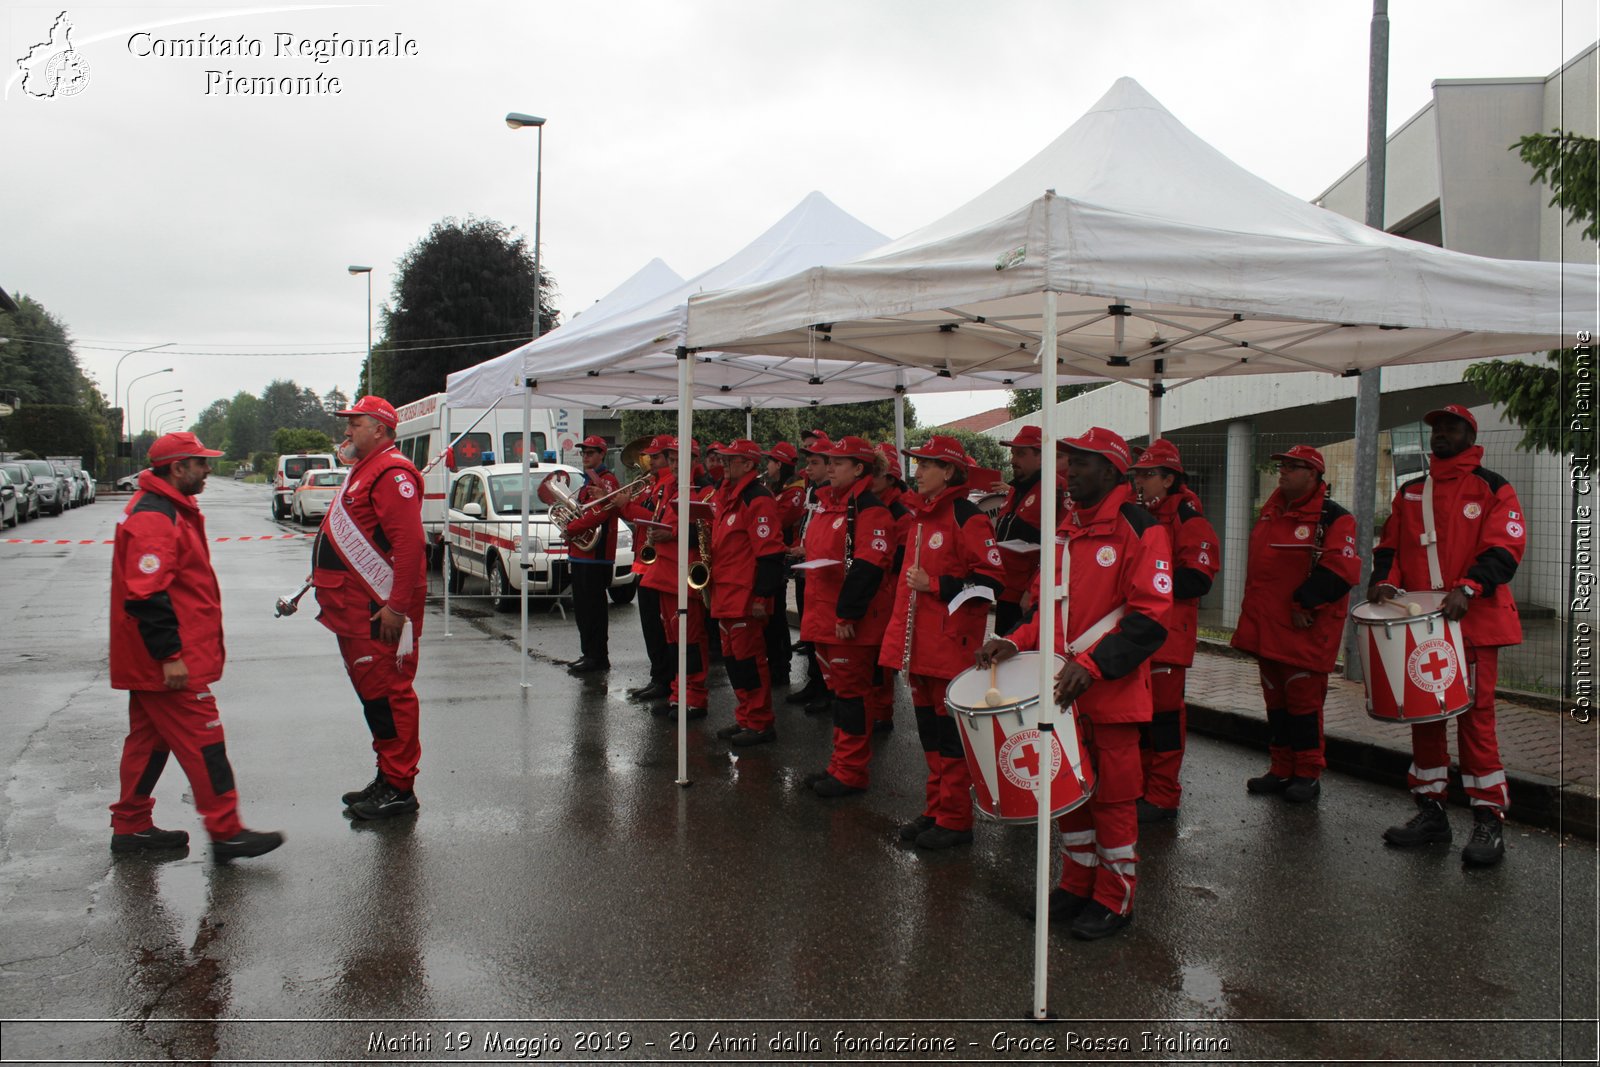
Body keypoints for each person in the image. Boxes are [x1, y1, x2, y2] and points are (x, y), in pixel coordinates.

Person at [977, 427, 1171, 940]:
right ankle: (1075, 884)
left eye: (1081, 463)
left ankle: (1115, 898)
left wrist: (1096, 665)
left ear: (1111, 470)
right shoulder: (1064, 529)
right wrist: (1015, 641)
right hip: (1061, 694)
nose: (1068, 472)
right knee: (1069, 793)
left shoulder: (1140, 528)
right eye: (1067, 463)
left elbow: (1151, 618)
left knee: (1113, 799)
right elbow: (1047, 613)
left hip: (1111, 694)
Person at [109, 431, 284, 863]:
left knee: (149, 742)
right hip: (166, 662)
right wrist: (171, 657)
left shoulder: (169, 509)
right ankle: (225, 832)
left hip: (154, 658)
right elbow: (146, 594)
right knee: (205, 740)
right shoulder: (156, 517)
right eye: (200, 463)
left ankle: (131, 826)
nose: (208, 469)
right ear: (177, 468)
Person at [1368, 405, 1526, 866]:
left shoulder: (1493, 488)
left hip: (1472, 622)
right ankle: (1431, 810)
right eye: (1435, 428)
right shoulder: (1412, 491)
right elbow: (1390, 547)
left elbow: (1505, 546)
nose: (1440, 434)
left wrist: (1470, 587)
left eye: (1449, 427)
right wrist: (1385, 581)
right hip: (1420, 621)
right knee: (1426, 717)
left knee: (1475, 720)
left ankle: (1488, 818)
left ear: (1469, 434)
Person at [880, 435, 1006, 848]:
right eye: (917, 464)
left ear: (948, 471)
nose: (916, 472)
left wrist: (936, 584)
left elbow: (991, 582)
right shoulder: (921, 516)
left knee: (951, 739)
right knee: (930, 737)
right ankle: (936, 810)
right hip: (918, 646)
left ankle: (955, 819)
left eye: (926, 464)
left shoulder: (967, 517)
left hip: (949, 648)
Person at [314, 396, 429, 821]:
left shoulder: (391, 472)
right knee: (373, 698)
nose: (347, 431)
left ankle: (401, 787)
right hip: (353, 608)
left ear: (379, 428)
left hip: (377, 610)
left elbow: (409, 545)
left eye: (354, 423)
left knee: (389, 696)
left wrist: (397, 607)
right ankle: (388, 775)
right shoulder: (366, 469)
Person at [1230, 445, 1359, 806]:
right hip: (1268, 629)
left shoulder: (1334, 519)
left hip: (1304, 632)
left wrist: (1305, 601)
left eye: (1293, 466)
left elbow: (1341, 570)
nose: (1283, 471)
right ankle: (1281, 768)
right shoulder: (1271, 513)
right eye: (1282, 465)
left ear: (1314, 474)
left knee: (1303, 707)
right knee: (1276, 704)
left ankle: (1307, 773)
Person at [801, 435, 898, 796]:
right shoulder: (831, 506)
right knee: (842, 695)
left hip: (849, 623)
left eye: (838, 463)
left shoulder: (871, 512)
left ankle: (851, 771)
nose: (830, 468)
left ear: (860, 468)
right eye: (830, 462)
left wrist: (847, 614)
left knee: (853, 697)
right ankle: (840, 764)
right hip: (826, 617)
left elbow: (869, 568)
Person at [1129, 440, 1220, 823]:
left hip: (1169, 637)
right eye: (1139, 475)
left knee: (1164, 720)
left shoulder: (1188, 518)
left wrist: (1149, 582)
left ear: (1169, 479)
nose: (1141, 482)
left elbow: (1198, 578)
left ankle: (1163, 795)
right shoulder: (1141, 513)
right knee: (1140, 718)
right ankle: (1143, 788)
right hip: (1142, 632)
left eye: (1148, 475)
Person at [620, 437, 711, 718]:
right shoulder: (669, 488)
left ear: (694, 461)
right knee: (673, 639)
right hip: (665, 573)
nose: (673, 465)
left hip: (682, 576)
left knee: (690, 640)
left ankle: (693, 697)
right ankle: (678, 693)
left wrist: (670, 533)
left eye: (678, 460)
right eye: (671, 460)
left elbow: (706, 532)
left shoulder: (700, 490)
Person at [708, 440, 788, 746]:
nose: (724, 464)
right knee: (734, 662)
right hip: (725, 595)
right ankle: (745, 717)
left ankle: (760, 722)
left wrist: (761, 597)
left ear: (748, 464)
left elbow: (770, 553)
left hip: (743, 597)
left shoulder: (757, 498)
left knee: (750, 662)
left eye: (731, 460)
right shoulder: (730, 496)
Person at [784, 431, 835, 714]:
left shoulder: (834, 493)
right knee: (809, 629)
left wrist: (810, 550)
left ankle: (826, 689)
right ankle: (814, 683)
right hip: (806, 569)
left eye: (814, 462)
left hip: (820, 571)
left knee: (821, 634)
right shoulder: (812, 491)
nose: (807, 469)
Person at [562, 435, 621, 674]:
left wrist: (571, 528)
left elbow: (599, 513)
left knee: (594, 610)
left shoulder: (607, 481)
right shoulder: (587, 482)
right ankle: (588, 653)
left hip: (596, 555)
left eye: (590, 452)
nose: (585, 456)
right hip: (580, 553)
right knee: (583, 608)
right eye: (584, 452)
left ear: (602, 455)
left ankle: (598, 656)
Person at [624, 437, 675, 702]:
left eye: (655, 457)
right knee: (650, 625)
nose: (649, 462)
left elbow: (647, 518)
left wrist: (623, 504)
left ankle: (663, 679)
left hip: (655, 563)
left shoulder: (664, 485)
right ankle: (658, 676)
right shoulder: (653, 484)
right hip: (645, 561)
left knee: (657, 626)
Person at [992, 424, 1049, 636]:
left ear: (1041, 456)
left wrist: (1033, 589)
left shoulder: (1054, 491)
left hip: (1028, 598)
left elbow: (1059, 546)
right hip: (1006, 592)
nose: (1013, 460)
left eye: (1021, 454)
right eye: (1013, 453)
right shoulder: (1015, 489)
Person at [763, 441, 806, 686]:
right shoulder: (778, 489)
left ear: (779, 464)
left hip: (781, 559)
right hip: (776, 557)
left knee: (777, 618)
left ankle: (781, 667)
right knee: (771, 618)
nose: (766, 465)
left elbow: (775, 522)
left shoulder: (795, 492)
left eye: (769, 460)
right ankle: (775, 663)